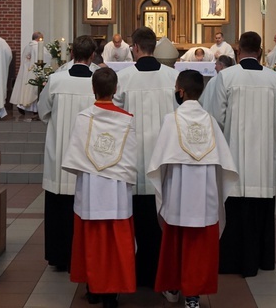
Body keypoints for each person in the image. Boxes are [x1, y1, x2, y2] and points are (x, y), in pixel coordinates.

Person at [205, 31, 276, 277]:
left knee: (234, 210)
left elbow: (215, 117)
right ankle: (262, 260)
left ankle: (232, 261)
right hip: (263, 161)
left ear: (238, 50)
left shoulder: (227, 77)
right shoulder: (274, 79)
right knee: (260, 213)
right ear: (261, 51)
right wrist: (268, 134)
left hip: (233, 158)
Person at [147, 70, 238, 308]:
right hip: (204, 195)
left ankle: (174, 287)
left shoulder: (171, 120)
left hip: (178, 193)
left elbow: (158, 163)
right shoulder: (210, 121)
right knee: (198, 248)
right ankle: (193, 296)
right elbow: (224, 164)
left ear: (181, 91)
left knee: (176, 243)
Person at [62, 68, 137, 308]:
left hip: (92, 189)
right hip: (115, 191)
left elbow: (75, 155)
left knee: (92, 239)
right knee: (115, 242)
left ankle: (93, 287)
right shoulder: (127, 119)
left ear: (93, 89)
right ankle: (110, 293)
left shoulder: (84, 117)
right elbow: (130, 157)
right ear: (116, 90)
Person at [113, 26, 179, 287]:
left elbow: (114, 118)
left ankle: (136, 273)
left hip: (133, 162)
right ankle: (161, 275)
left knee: (136, 218)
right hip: (164, 161)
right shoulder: (172, 78)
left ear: (137, 48)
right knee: (163, 218)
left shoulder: (124, 78)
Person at [37, 35, 97, 272]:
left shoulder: (56, 80)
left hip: (60, 154)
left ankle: (59, 256)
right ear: (93, 55)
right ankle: (83, 256)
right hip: (88, 156)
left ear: (72, 53)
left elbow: (43, 112)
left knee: (58, 206)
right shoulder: (98, 81)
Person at [10, 31, 48, 119]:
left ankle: (23, 106)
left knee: (26, 89)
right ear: (39, 39)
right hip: (35, 72)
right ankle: (34, 109)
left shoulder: (27, 47)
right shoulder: (39, 47)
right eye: (42, 38)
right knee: (34, 90)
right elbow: (46, 57)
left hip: (26, 73)